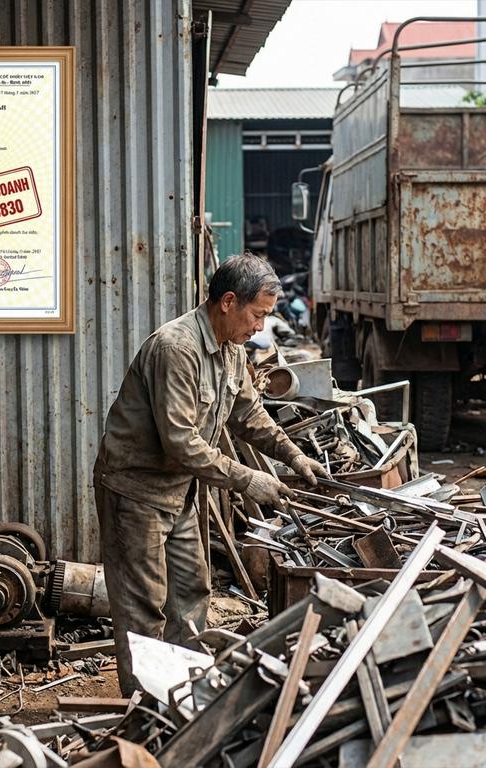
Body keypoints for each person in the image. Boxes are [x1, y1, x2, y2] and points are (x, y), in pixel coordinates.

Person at [93, 253, 328, 695]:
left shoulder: (231, 350)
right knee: (144, 608)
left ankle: (187, 696)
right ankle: (145, 710)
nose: (260, 326)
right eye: (257, 314)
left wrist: (294, 455)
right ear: (228, 302)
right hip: (135, 492)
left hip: (177, 491)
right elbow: (181, 442)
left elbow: (248, 415)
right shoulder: (176, 349)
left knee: (190, 591)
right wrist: (249, 479)